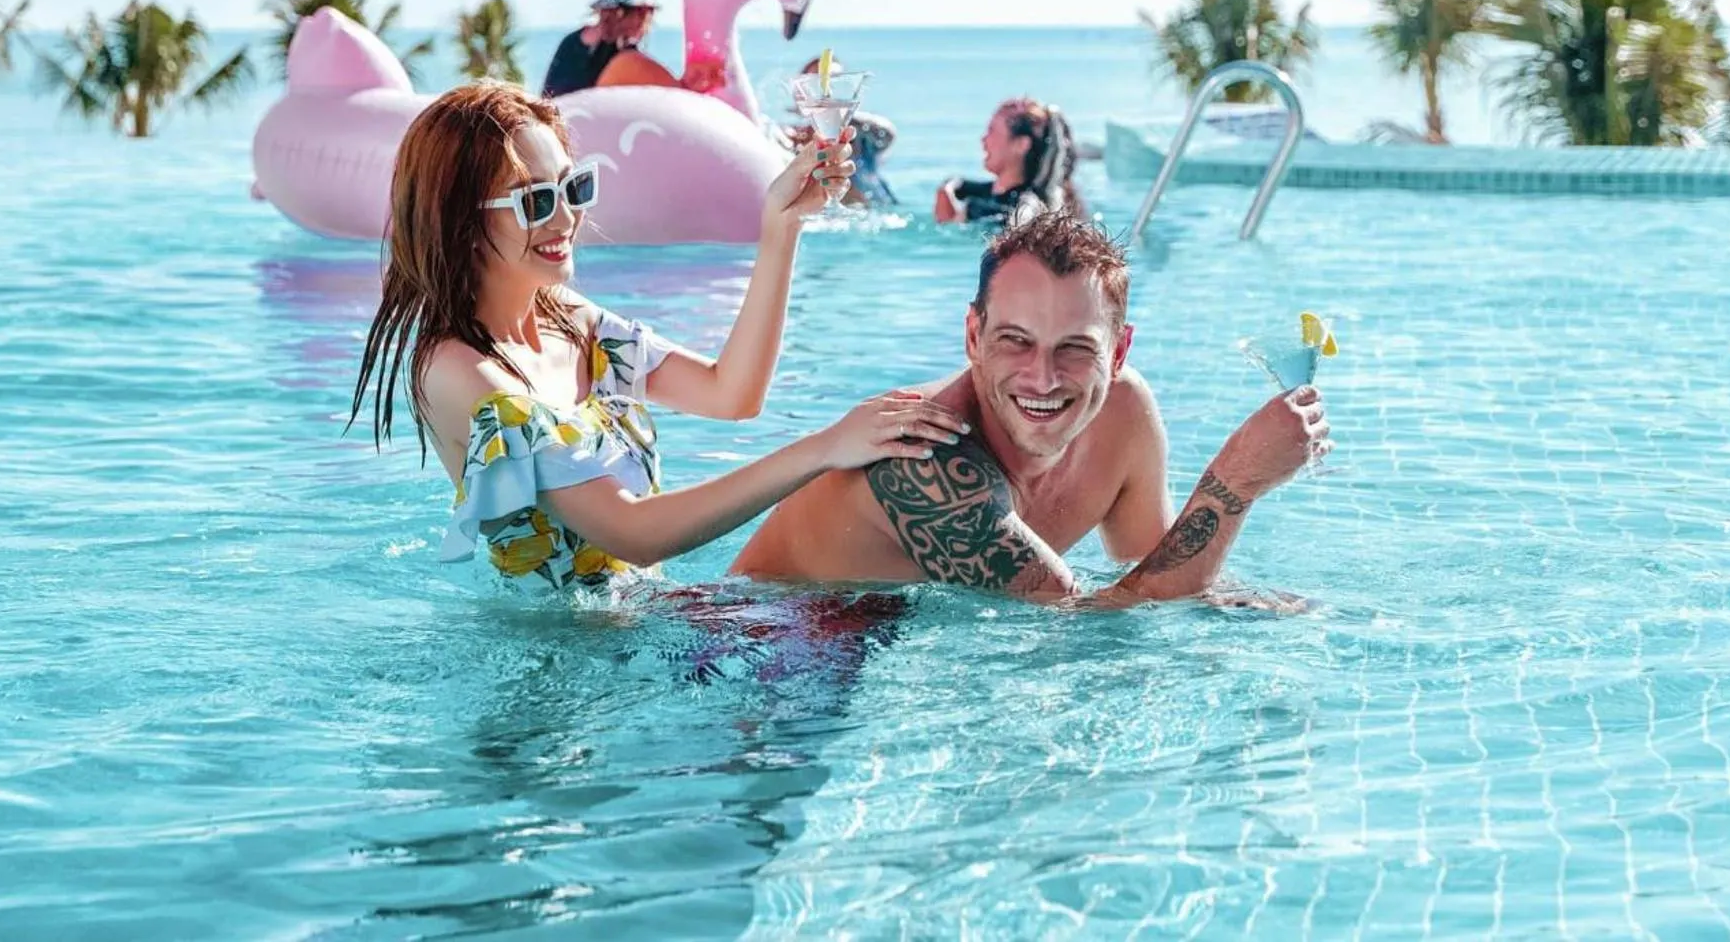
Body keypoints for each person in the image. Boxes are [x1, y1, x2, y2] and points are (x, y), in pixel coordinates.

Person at [348, 81, 965, 592]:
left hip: (642, 636)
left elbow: (733, 394)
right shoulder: (458, 372)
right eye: (534, 201)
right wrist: (825, 447)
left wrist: (783, 227)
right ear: (457, 221)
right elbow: (631, 532)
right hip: (546, 690)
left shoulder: (572, 321)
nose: (567, 218)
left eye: (573, 188)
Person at [731, 211, 1330, 607]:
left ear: (1119, 351)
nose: (1042, 378)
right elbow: (1084, 628)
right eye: (1015, 341)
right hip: (749, 651)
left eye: (1074, 348)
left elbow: (1150, 573)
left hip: (877, 646)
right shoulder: (922, 457)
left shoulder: (1122, 411)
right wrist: (1236, 482)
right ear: (973, 337)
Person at [540, 0, 720, 97]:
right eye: (647, 12)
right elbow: (680, 99)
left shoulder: (571, 42)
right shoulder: (628, 61)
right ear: (640, 13)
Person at [935, 97, 1082, 224]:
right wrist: (946, 191)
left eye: (992, 131)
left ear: (1021, 144)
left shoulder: (1025, 208)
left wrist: (960, 217)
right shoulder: (986, 195)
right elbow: (957, 184)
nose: (984, 139)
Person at [787, 55, 898, 207]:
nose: (828, 90)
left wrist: (836, 114)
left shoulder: (863, 136)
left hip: (878, 211)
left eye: (835, 81)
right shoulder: (793, 139)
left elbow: (888, 133)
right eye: (815, 83)